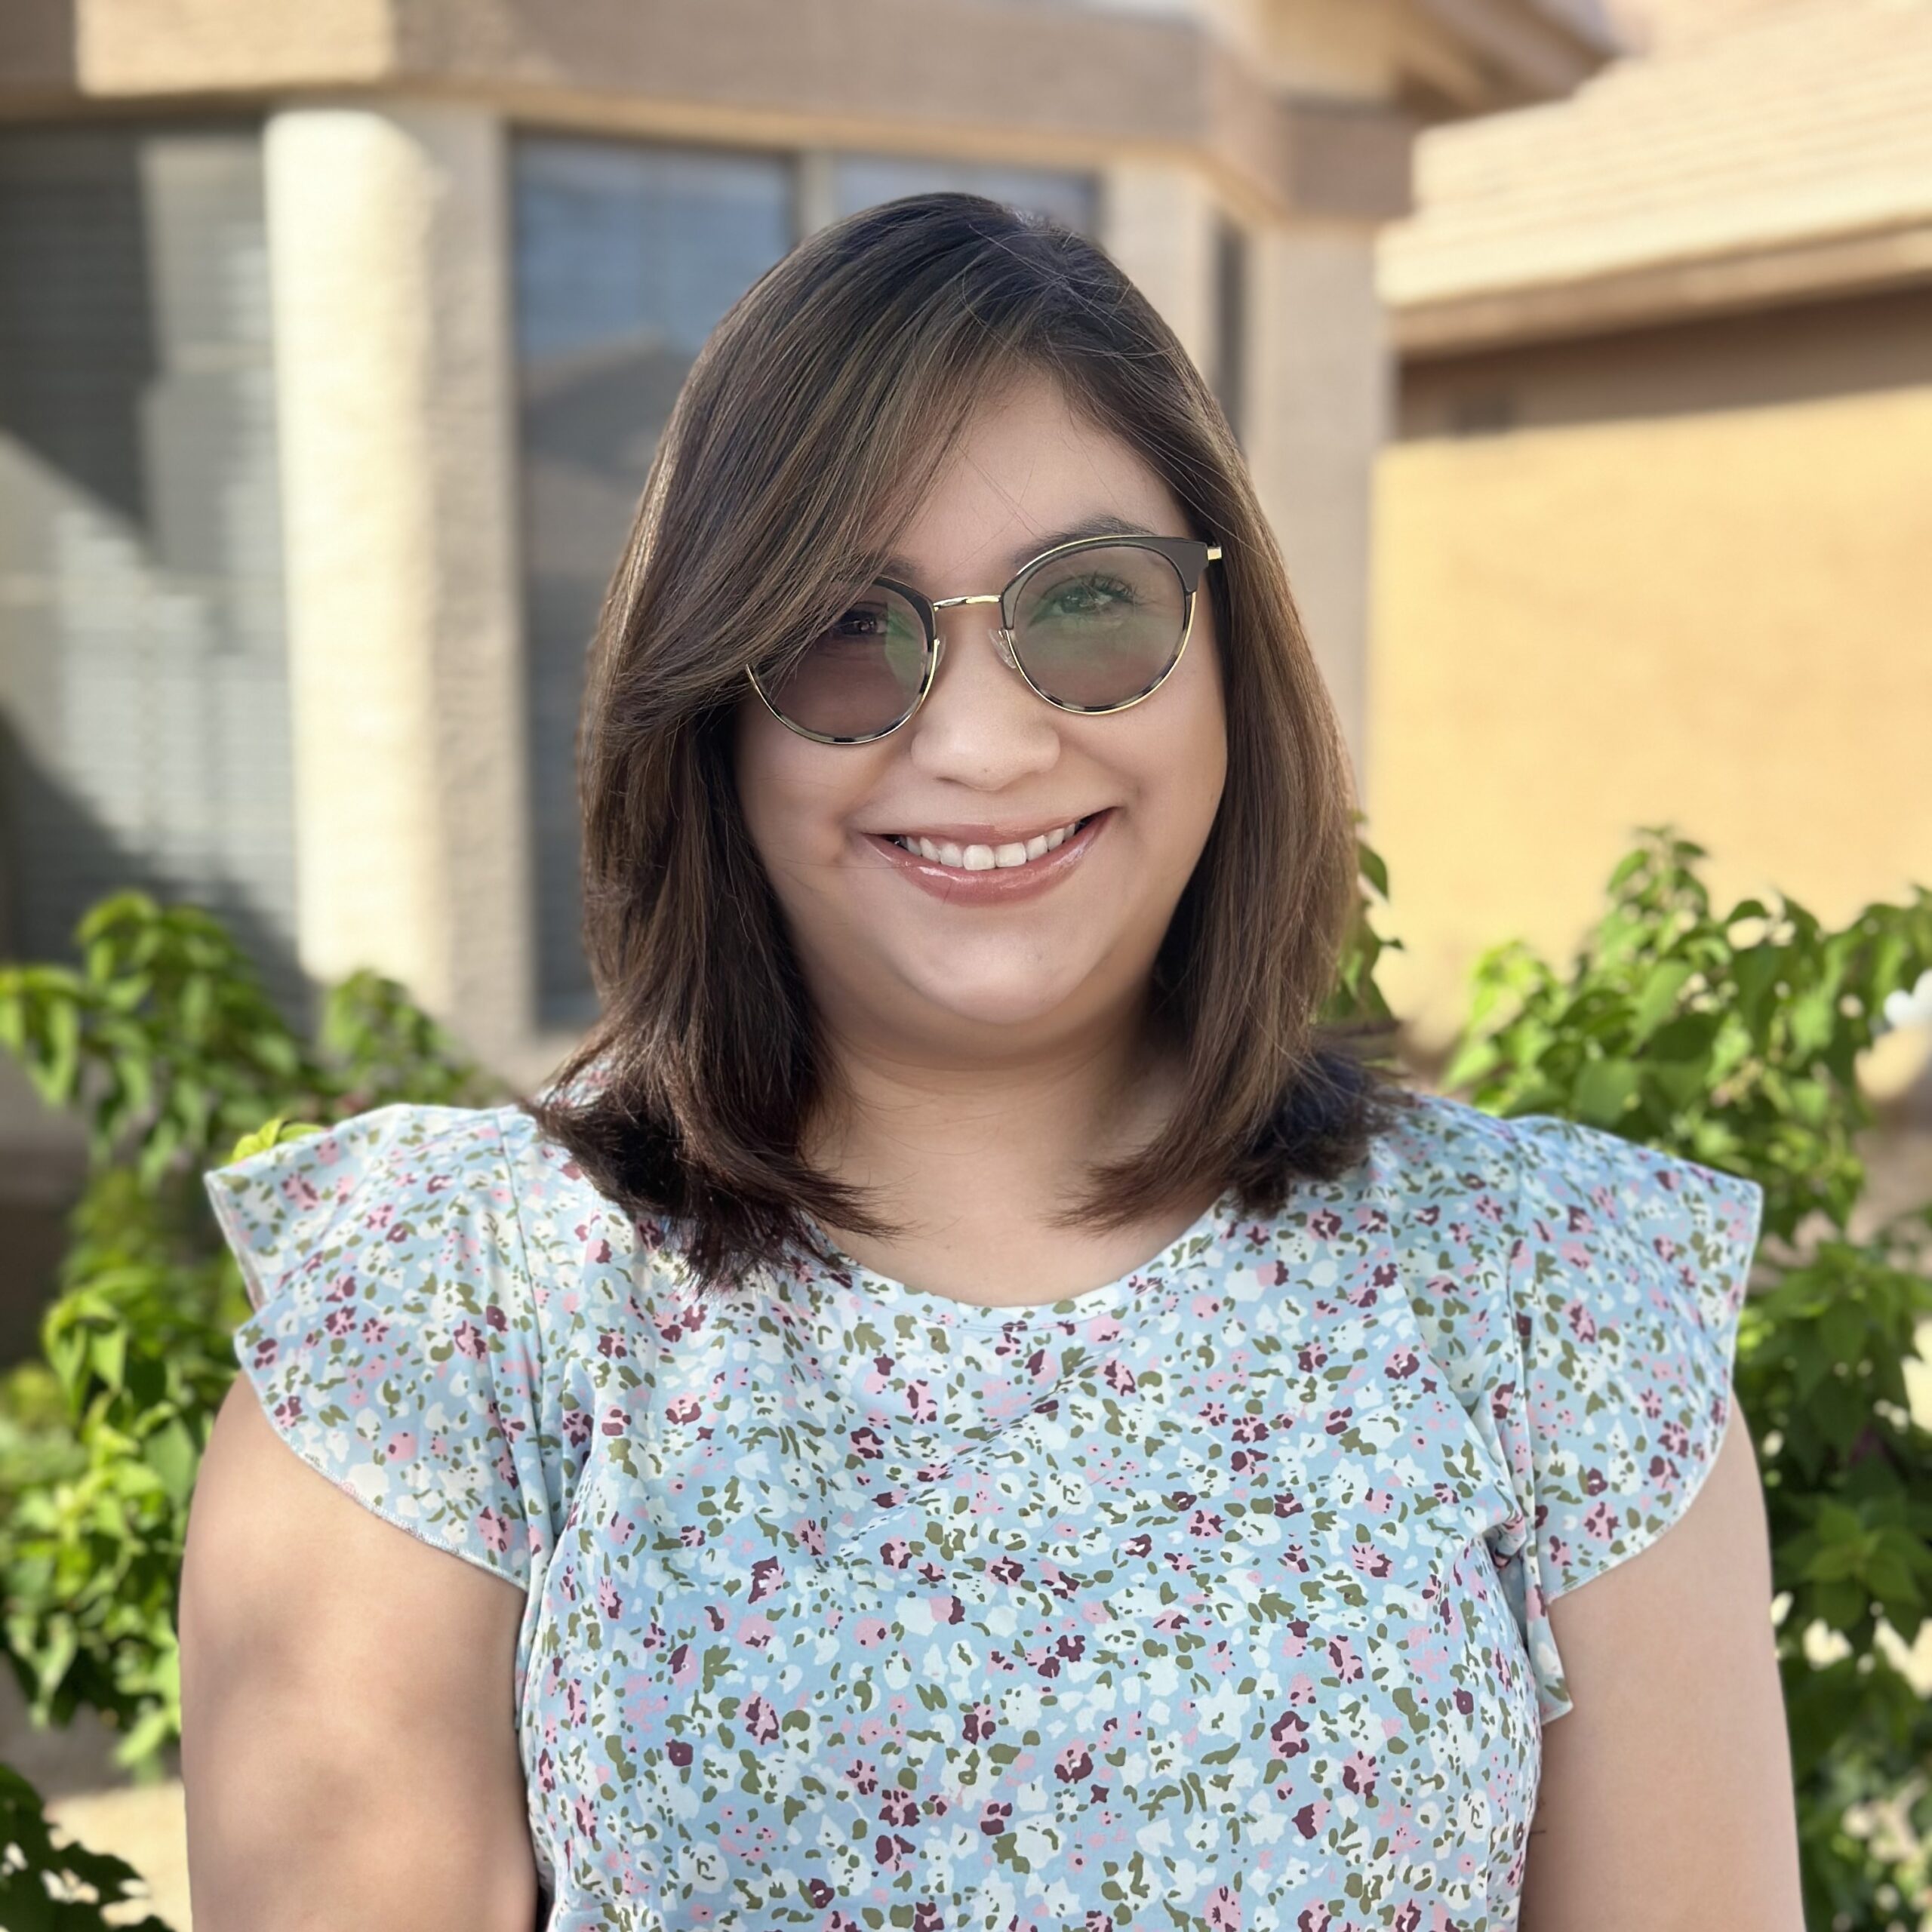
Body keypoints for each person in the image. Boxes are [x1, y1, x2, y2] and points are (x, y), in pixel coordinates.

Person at [177, 192, 1803, 1931]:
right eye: (840, 631)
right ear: (711, 714)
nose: (978, 739)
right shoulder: (441, 1323)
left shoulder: (1550, 1300)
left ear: (1227, 657)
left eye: (1086, 610)